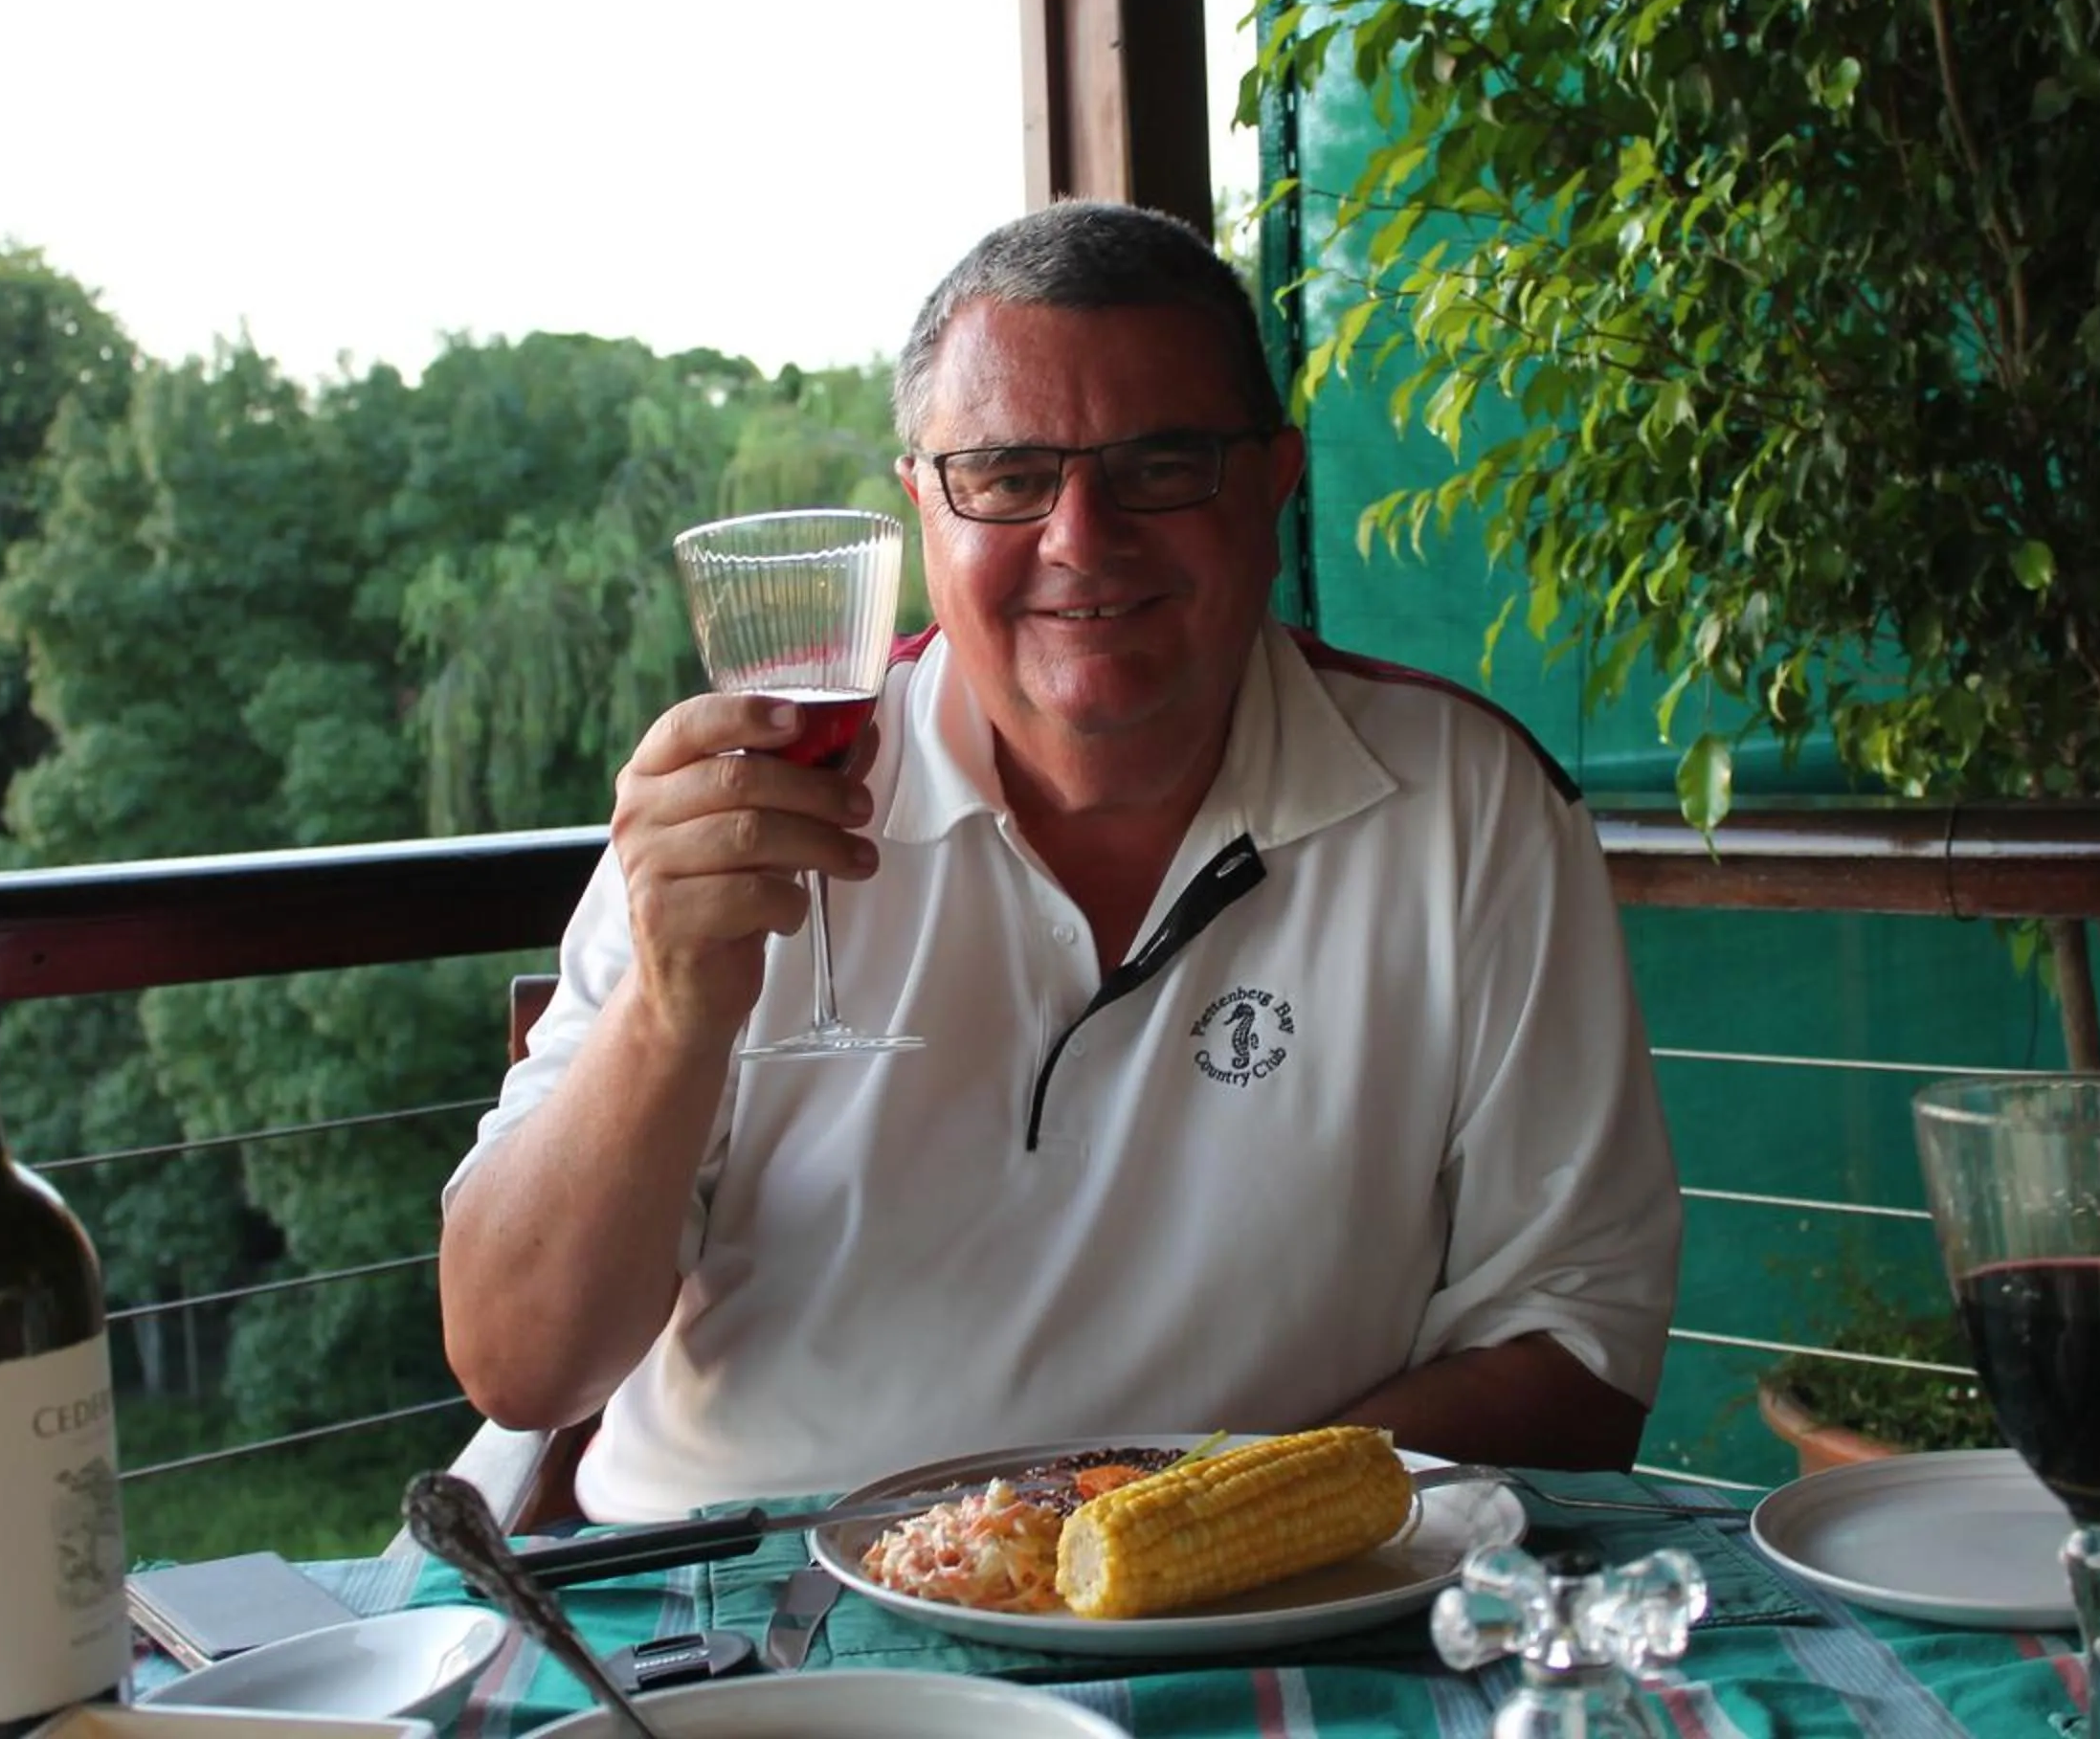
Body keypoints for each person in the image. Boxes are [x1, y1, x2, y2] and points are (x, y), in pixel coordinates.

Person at [438, 200, 1681, 1521]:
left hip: (1263, 1592)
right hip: (740, 1592)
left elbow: (1578, 1348)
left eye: (1160, 466)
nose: (1081, 539)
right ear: (921, 503)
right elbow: (520, 1366)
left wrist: (1185, 1526)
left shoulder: (1463, 806)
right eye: (1008, 476)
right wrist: (673, 1015)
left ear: (1274, 482)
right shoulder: (740, 810)